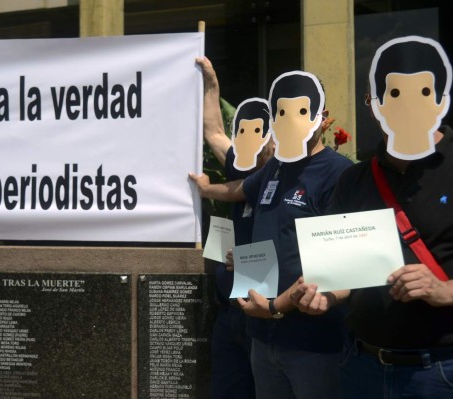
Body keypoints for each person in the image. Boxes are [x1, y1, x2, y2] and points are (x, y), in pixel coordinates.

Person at [291, 35, 453, 398]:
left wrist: (445, 290)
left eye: (422, 94)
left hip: (440, 372)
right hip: (362, 367)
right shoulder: (355, 179)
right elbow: (342, 272)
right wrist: (324, 295)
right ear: (373, 103)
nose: (407, 107)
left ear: (442, 99)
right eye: (394, 95)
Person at [190, 70, 353, 399]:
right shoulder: (275, 168)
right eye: (281, 112)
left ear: (323, 119)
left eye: (301, 112)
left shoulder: (339, 173)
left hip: (313, 347)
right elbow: (241, 189)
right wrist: (208, 189)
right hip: (263, 341)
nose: (289, 121)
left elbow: (340, 265)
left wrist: (276, 307)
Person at [196, 56, 272, 399]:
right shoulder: (239, 160)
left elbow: (243, 189)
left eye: (257, 133)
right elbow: (213, 130)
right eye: (242, 131)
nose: (247, 139)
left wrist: (206, 189)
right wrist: (212, 85)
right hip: (230, 314)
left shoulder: (280, 173)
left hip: (266, 313)